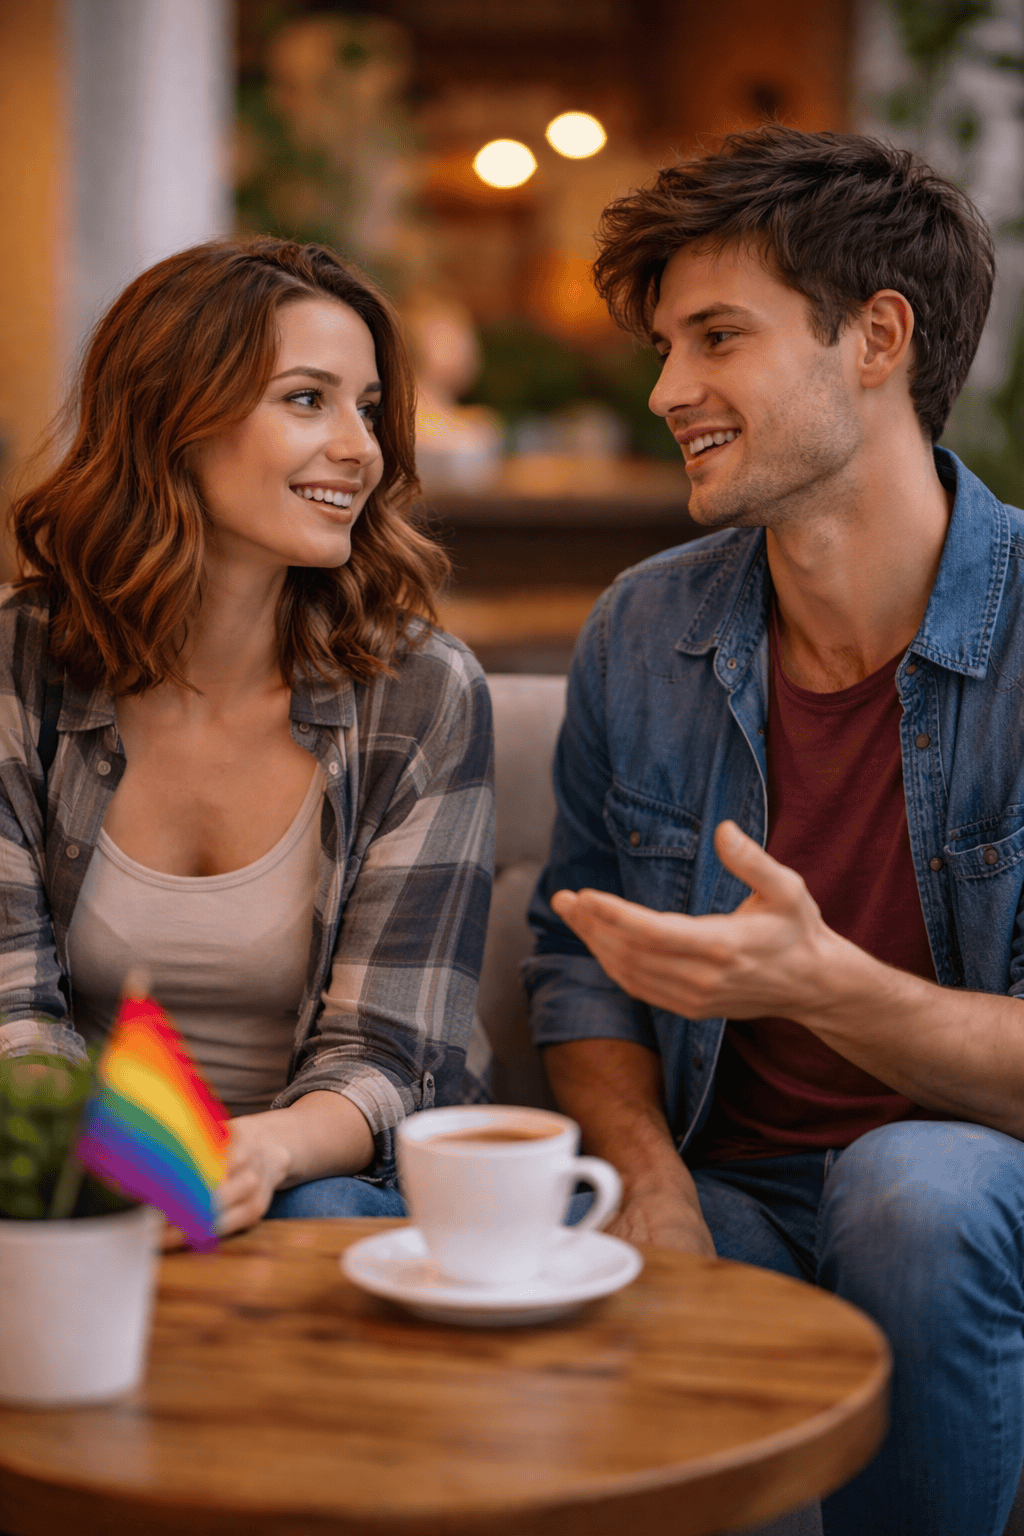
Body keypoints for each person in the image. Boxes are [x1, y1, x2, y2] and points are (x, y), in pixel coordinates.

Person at [524, 127, 1024, 1536]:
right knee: (500, 1232)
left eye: (717, 337)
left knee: (907, 1189)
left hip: (971, 1194)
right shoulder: (646, 625)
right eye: (667, 345)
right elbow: (576, 964)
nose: (667, 389)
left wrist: (824, 988)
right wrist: (647, 1178)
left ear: (876, 338)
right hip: (727, 1187)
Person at [0, 237, 493, 1234]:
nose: (360, 448)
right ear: (173, 419)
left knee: (323, 1210)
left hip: (320, 1165)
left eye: (365, 407)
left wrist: (253, 1152)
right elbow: (15, 1008)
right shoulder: (19, 658)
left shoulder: (420, 692)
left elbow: (388, 1058)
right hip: (72, 1156)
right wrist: (114, 1166)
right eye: (307, 399)